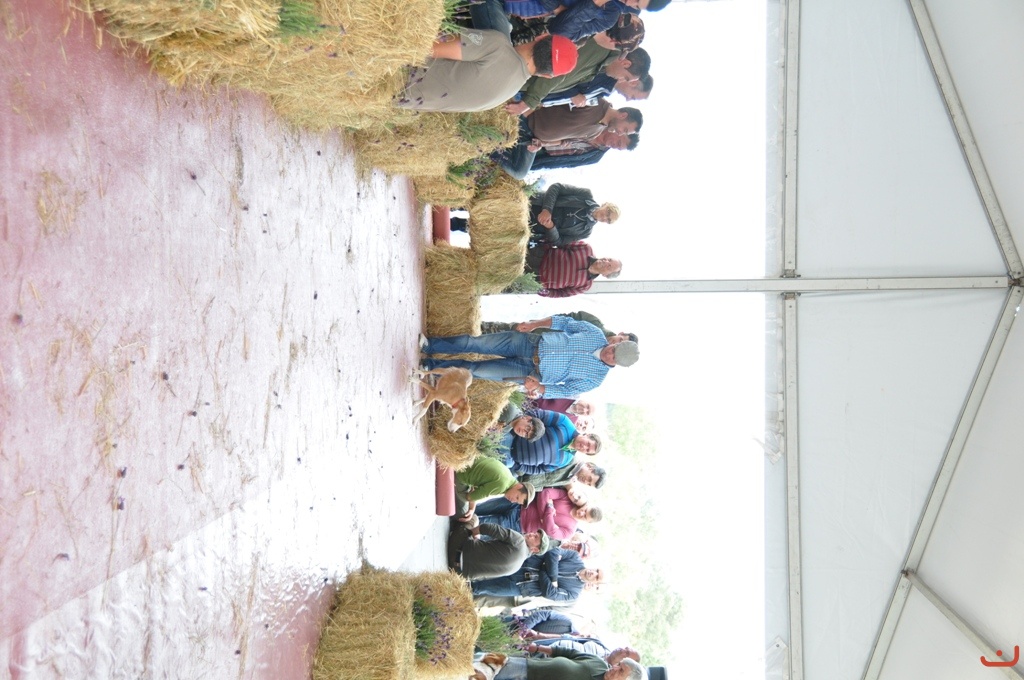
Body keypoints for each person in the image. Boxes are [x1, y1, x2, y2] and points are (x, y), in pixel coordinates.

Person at [421, 315, 640, 398]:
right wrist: (535, 324)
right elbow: (564, 322)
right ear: (616, 342)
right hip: (529, 342)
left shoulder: (596, 379)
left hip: (528, 373)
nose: (610, 353)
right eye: (615, 348)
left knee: (474, 370)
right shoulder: (595, 333)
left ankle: (430, 366)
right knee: (475, 343)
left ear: (617, 365)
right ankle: (431, 344)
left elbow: (566, 391)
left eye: (614, 357)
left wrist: (538, 388)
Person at [394, 30, 578, 112]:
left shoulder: (497, 45)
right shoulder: (508, 93)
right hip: (390, 96)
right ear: (546, 75)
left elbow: (425, 46)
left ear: (542, 36)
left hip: (389, 69)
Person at [508, 30, 647, 115]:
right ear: (625, 63)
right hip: (517, 67)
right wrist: (528, 103)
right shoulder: (600, 50)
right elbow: (557, 72)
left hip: (519, 74)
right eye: (625, 77)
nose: (620, 79)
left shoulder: (602, 62)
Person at [494, 101, 642, 179]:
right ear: (623, 115)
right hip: (529, 120)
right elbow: (554, 99)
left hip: (535, 140)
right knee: (504, 140)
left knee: (519, 172)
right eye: (624, 131)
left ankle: (488, 148)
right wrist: (525, 111)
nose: (620, 133)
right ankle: (490, 143)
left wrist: (542, 144)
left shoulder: (595, 133)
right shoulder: (595, 102)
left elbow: (565, 142)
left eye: (618, 148)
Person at [471, 547, 603, 604]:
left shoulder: (574, 593)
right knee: (484, 566)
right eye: (596, 570)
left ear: (594, 583)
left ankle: (462, 587)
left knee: (481, 588)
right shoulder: (575, 557)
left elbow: (549, 593)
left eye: (597, 577)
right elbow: (553, 553)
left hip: (522, 587)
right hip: (522, 564)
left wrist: (545, 568)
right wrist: (553, 579)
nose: (594, 573)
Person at [448, 516, 553, 579]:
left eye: (535, 537)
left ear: (535, 549)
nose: (531, 534)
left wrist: (470, 533)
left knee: (473, 519)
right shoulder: (517, 567)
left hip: (456, 549)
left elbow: (488, 528)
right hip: (457, 572)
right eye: (534, 533)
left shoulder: (519, 541)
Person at [504, 408, 600, 475]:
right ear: (587, 435)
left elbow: (540, 470)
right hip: (509, 438)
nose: (584, 447)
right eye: (588, 443)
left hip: (510, 460)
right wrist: (516, 430)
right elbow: (537, 415)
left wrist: (517, 466)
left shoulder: (566, 460)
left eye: (587, 450)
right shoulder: (565, 423)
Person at [529, 183, 620, 247]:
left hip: (532, 227)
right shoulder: (586, 194)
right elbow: (557, 187)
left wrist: (550, 227)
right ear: (605, 204)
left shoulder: (586, 232)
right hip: (532, 203)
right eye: (608, 212)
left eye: (608, 220)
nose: (605, 217)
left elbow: (559, 242)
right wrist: (547, 209)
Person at [525, 242, 622, 298]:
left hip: (535, 280)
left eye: (609, 266)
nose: (606, 261)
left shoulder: (586, 286)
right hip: (537, 256)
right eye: (609, 259)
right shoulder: (586, 248)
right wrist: (539, 245)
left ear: (606, 275)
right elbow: (561, 242)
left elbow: (562, 293)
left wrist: (545, 292)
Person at [455, 456, 538, 519]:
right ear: (520, 485)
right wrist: (471, 509)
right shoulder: (501, 486)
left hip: (466, 460)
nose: (513, 501)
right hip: (460, 472)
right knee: (464, 514)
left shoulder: (508, 475)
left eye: (516, 501)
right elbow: (470, 497)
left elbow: (475, 490)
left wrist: (472, 506)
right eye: (517, 497)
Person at [530, 129, 639, 171]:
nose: (614, 146)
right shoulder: (597, 123)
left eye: (618, 148)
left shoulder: (595, 157)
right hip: (540, 131)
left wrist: (535, 166)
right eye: (618, 142)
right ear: (620, 132)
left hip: (541, 156)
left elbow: (567, 164)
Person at [518, 459, 606, 490]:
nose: (585, 482)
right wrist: (518, 472)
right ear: (590, 467)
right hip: (519, 472)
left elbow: (544, 483)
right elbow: (539, 462)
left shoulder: (570, 479)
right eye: (589, 479)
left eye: (588, 484)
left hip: (520, 484)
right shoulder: (570, 460)